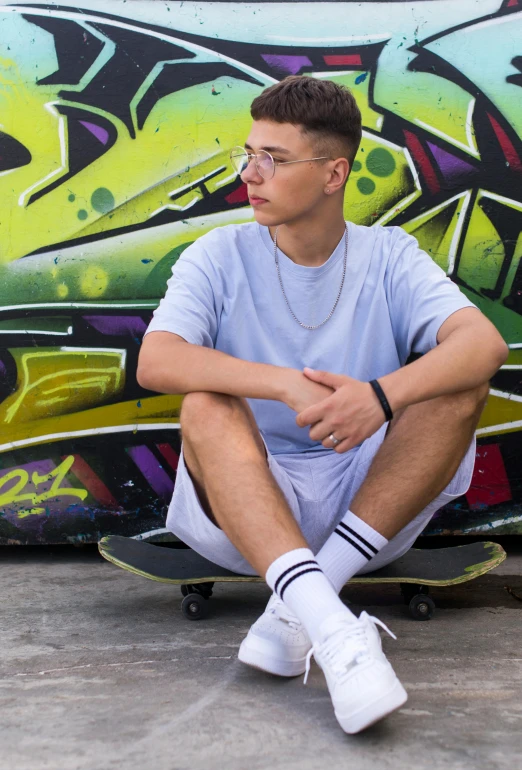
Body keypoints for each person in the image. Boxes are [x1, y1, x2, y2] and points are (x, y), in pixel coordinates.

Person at [137, 76, 508, 734]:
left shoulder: (389, 256)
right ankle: (334, 628)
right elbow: (156, 360)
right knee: (204, 402)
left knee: (455, 384)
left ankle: (297, 611)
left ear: (334, 173)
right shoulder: (218, 256)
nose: (249, 175)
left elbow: (483, 344)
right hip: (249, 512)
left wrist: (380, 397)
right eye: (247, 155)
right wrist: (280, 382)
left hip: (366, 513)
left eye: (273, 160)